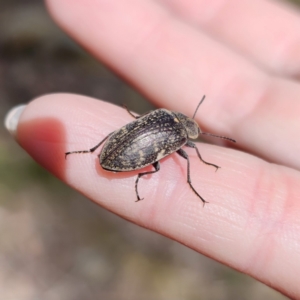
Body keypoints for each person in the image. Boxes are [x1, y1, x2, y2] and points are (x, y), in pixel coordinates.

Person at [5, 0, 300, 297]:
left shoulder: (162, 115)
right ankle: (95, 155)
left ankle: (89, 151)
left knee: (124, 138)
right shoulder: (181, 141)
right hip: (126, 153)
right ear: (188, 130)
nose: (194, 138)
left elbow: (143, 123)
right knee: (163, 161)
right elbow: (182, 152)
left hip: (123, 147)